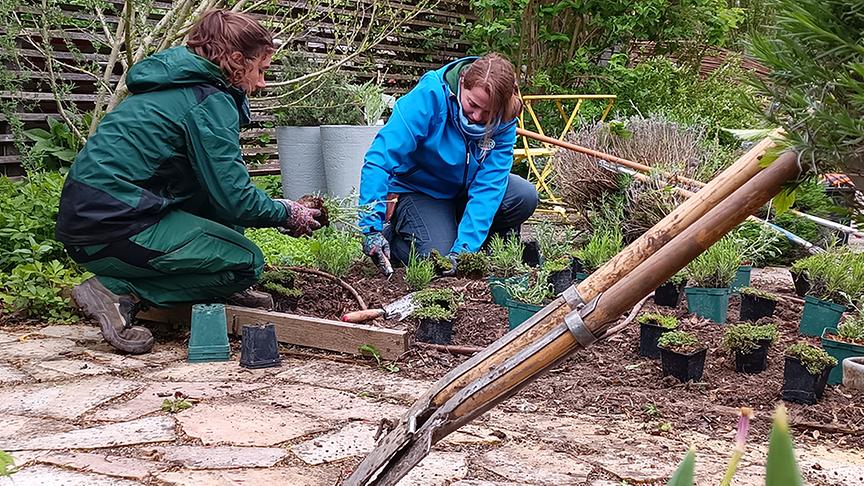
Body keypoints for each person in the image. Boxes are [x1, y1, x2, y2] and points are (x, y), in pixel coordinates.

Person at [55, 10, 324, 354]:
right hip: (114, 229)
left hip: (92, 224)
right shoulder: (207, 100)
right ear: (236, 60)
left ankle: (214, 286)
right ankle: (116, 291)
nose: (262, 83)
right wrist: (286, 212)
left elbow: (215, 193)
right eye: (260, 70)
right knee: (247, 264)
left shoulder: (174, 87)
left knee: (212, 203)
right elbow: (236, 199)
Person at [358, 53, 538, 275]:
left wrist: (464, 251)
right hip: (420, 191)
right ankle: (395, 238)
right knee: (438, 258)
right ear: (462, 82)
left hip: (463, 192)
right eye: (472, 104)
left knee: (523, 195)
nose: (477, 117)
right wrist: (371, 227)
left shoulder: (504, 120)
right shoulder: (431, 95)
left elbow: (489, 187)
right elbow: (380, 158)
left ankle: (478, 246)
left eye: (488, 113)